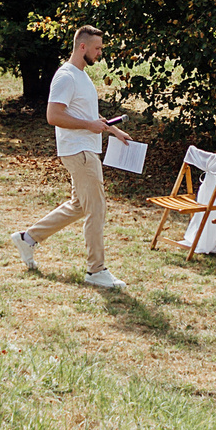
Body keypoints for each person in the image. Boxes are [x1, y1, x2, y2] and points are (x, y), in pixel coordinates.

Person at [14, 25, 131, 289]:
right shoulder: (66, 76)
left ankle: (28, 238)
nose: (100, 53)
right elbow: (53, 116)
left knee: (80, 206)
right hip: (79, 151)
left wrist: (114, 130)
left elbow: (91, 118)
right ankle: (96, 271)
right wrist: (88, 126)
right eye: (97, 48)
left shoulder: (82, 77)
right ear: (83, 47)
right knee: (97, 208)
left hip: (86, 148)